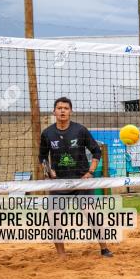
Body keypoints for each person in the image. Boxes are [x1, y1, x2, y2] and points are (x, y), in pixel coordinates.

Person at [39, 97, 113, 258]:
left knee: (92, 214)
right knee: (53, 217)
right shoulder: (47, 133)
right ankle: (61, 254)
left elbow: (96, 152)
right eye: (59, 108)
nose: (62, 110)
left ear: (70, 111)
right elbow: (42, 158)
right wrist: (48, 171)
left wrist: (90, 172)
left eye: (66, 108)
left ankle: (104, 248)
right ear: (54, 111)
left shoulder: (80, 130)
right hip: (59, 184)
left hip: (81, 181)